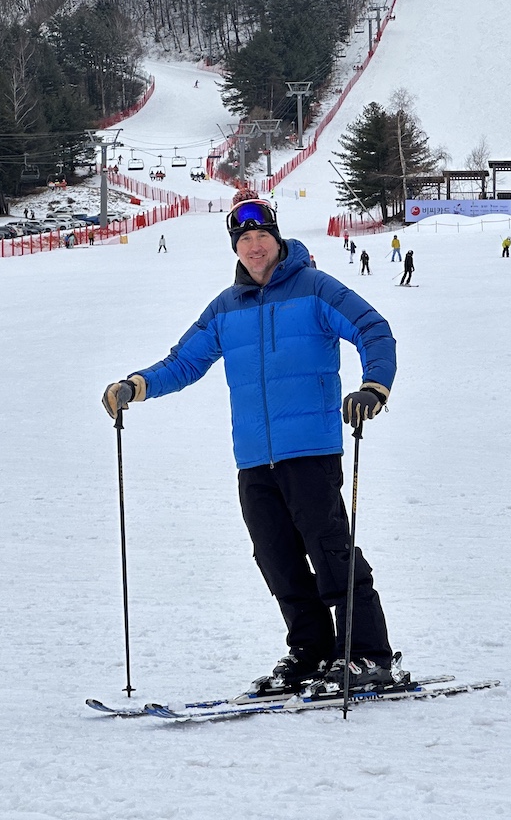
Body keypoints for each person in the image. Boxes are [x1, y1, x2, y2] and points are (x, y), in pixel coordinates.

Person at [100, 194, 399, 696]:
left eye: (262, 236)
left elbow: (374, 330)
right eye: (244, 239)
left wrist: (374, 387)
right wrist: (138, 385)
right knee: (276, 556)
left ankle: (366, 654)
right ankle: (313, 651)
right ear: (235, 248)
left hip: (310, 450)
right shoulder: (225, 308)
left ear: (277, 239)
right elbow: (184, 362)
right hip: (254, 458)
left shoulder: (315, 288)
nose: (254, 246)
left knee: (330, 552)